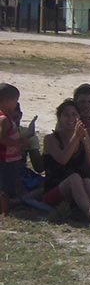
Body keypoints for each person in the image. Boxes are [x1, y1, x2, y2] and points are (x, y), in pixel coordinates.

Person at [41, 99, 90, 223]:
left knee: (87, 180)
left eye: (74, 115)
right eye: (66, 115)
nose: (70, 118)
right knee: (75, 178)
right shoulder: (50, 139)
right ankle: (89, 213)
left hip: (76, 191)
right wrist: (76, 137)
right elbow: (63, 160)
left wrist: (87, 143)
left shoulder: (82, 136)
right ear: (59, 118)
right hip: (54, 190)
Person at [0, 83, 27, 215]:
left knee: (9, 184)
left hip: (10, 159)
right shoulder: (4, 119)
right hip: (5, 159)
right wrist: (17, 142)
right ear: (6, 101)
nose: (16, 104)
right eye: (15, 101)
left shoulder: (6, 117)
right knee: (5, 186)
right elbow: (1, 138)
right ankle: (4, 211)